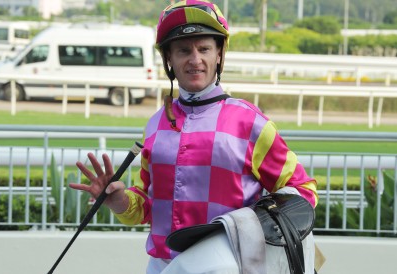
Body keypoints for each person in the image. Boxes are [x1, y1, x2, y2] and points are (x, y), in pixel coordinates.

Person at [70, 1, 318, 273]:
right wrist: (119, 201)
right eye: (183, 50)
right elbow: (147, 207)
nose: (195, 59)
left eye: (204, 49)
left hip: (228, 265)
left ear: (220, 55)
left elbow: (303, 193)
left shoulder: (250, 122)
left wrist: (247, 227)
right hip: (162, 266)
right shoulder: (155, 125)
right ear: (169, 59)